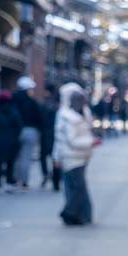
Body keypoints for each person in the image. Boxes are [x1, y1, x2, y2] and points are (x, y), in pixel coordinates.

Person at [53, 82, 95, 225]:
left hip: (75, 155)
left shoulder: (67, 114)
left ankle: (75, 214)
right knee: (77, 186)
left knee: (75, 187)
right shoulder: (73, 114)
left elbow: (61, 138)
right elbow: (64, 138)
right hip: (74, 155)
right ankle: (78, 214)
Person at [0, 89, 22, 193]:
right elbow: (19, 126)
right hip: (11, 141)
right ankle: (8, 183)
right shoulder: (14, 111)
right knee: (10, 163)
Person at [13, 76, 43, 188]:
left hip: (16, 131)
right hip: (30, 130)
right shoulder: (32, 102)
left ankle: (15, 179)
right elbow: (38, 117)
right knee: (26, 156)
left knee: (16, 157)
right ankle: (24, 181)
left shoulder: (13, 100)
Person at [40, 83, 60, 191]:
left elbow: (40, 119)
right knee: (55, 157)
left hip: (45, 133)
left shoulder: (44, 104)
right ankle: (55, 180)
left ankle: (45, 173)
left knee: (44, 156)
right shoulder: (57, 105)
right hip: (55, 134)